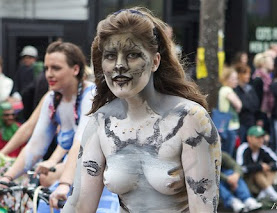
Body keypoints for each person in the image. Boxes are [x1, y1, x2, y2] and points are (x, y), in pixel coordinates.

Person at [62, 7, 221, 213]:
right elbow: (78, 205)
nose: (119, 65)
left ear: (155, 61)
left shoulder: (189, 120)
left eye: (132, 55)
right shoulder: (101, 123)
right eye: (110, 56)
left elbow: (204, 208)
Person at [0, 41, 96, 210]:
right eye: (46, 68)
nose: (49, 74)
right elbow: (35, 146)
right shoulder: (52, 99)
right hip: (72, 175)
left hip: (97, 178)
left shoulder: (91, 96)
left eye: (56, 68)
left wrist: (65, 183)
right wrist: (7, 178)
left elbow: (80, 144)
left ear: (75, 69)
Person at [236, 126, 277, 201]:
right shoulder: (243, 149)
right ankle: (272, 194)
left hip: (262, 181)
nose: (261, 140)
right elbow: (241, 168)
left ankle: (263, 193)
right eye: (257, 137)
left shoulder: (264, 149)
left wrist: (268, 167)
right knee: (258, 172)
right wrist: (259, 166)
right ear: (249, 138)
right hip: (248, 181)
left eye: (262, 137)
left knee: (271, 171)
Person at [218, 66, 242, 156]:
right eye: (233, 78)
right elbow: (238, 104)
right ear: (227, 79)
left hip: (225, 125)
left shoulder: (223, 90)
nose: (236, 81)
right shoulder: (227, 89)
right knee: (228, 152)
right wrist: (238, 107)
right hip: (230, 126)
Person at [233, 63, 259, 143]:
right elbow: (242, 105)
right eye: (245, 73)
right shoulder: (235, 89)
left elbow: (256, 104)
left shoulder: (250, 88)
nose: (248, 76)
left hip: (251, 121)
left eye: (249, 73)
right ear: (238, 75)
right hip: (241, 122)